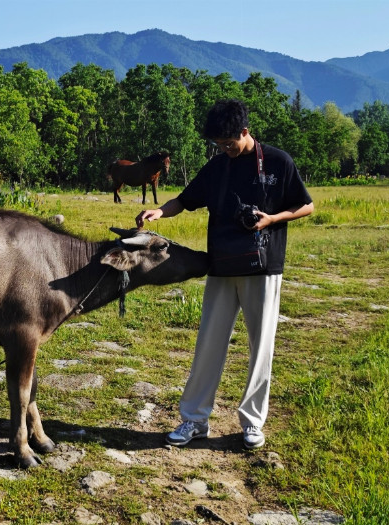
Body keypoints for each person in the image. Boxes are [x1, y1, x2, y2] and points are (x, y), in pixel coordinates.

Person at [136, 99, 313, 449]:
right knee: (208, 345)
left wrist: (273, 219)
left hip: (263, 267)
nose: (225, 150)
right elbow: (185, 200)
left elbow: (306, 205)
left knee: (260, 347)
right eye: (219, 145)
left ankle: (252, 424)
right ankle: (194, 420)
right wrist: (159, 211)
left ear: (245, 132)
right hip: (221, 264)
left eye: (229, 143)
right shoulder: (218, 166)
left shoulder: (278, 161)